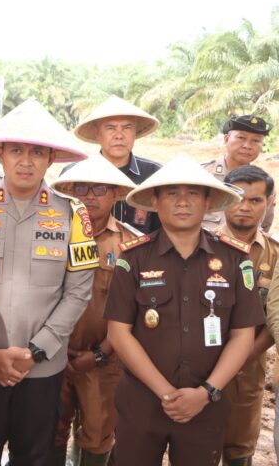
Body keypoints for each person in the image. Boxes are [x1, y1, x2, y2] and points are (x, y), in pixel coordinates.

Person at [0, 98, 97, 466]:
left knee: (35, 458)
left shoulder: (73, 213)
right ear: (0, 154)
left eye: (37, 151)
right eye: (16, 149)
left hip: (42, 369)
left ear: (50, 159)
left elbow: (78, 292)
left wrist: (35, 352)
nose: (26, 160)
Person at [104, 154, 264, 466]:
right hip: (142, 404)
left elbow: (243, 336)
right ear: (155, 200)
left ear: (207, 202)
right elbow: (118, 333)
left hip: (207, 405)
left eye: (192, 193)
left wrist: (205, 393)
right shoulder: (133, 259)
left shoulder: (235, 260)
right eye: (172, 193)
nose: (182, 202)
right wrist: (166, 393)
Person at [48, 155, 138, 466]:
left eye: (99, 188)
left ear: (116, 194)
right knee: (49, 432)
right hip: (49, 356)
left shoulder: (130, 244)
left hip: (103, 361)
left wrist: (99, 355)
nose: (89, 196)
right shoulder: (51, 233)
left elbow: (132, 312)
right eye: (81, 187)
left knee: (98, 436)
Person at [219, 166, 278, 466]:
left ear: (270, 202)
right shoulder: (199, 245)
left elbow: (275, 319)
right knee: (193, 445)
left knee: (239, 450)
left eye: (255, 200)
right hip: (198, 368)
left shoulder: (276, 255)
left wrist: (240, 358)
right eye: (238, 197)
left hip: (248, 372)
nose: (244, 207)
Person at [73, 95, 163, 234]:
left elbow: (162, 229)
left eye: (127, 128)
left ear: (135, 132)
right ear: (97, 133)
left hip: (143, 253)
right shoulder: (74, 175)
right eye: (111, 128)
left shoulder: (155, 175)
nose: (119, 135)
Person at [201, 114, 274, 232]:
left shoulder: (264, 182)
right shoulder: (202, 175)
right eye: (241, 138)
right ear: (226, 139)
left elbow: (264, 226)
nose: (247, 146)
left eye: (256, 140)